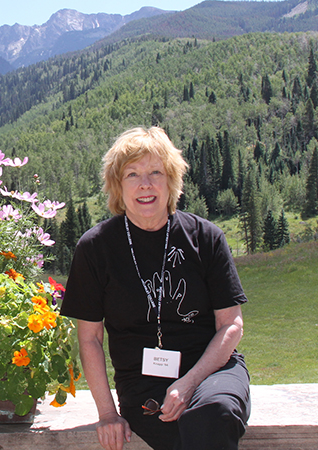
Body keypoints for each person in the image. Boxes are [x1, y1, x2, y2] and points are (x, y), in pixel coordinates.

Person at [61, 126, 250, 450]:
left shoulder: (206, 238)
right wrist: (107, 414)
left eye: (155, 172)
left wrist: (189, 383)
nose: (145, 184)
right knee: (169, 426)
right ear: (118, 186)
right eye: (132, 174)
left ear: (171, 180)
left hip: (212, 369)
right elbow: (90, 339)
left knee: (214, 413)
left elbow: (231, 324)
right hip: (141, 379)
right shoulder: (96, 248)